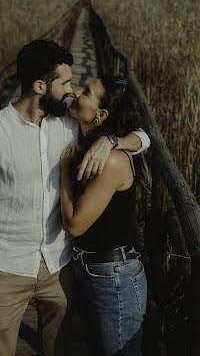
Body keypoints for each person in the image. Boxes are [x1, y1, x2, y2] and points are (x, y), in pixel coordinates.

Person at [0, 39, 148, 356]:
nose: (72, 91)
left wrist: (111, 141)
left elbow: (143, 136)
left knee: (59, 347)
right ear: (39, 85)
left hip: (59, 265)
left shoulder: (69, 121)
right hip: (6, 266)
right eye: (65, 83)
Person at [60, 76, 149, 355]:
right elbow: (143, 135)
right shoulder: (88, 137)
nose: (75, 92)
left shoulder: (111, 160)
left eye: (85, 92)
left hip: (113, 279)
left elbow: (74, 225)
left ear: (101, 115)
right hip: (91, 271)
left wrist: (63, 172)